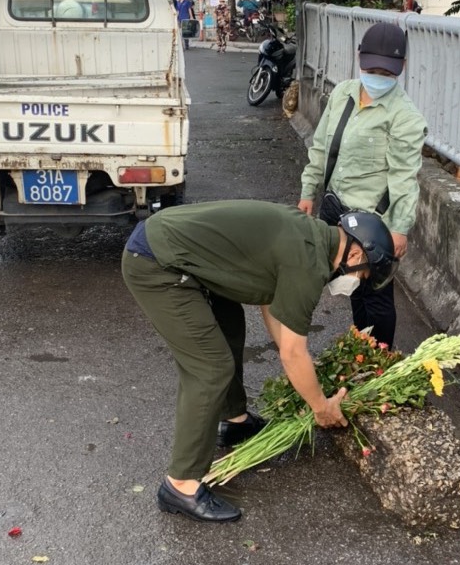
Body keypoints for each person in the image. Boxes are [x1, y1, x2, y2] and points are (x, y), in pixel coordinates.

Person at [121, 200, 398, 522]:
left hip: (177, 248)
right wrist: (321, 407)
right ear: (354, 255)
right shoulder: (309, 265)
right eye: (363, 274)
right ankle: (180, 484)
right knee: (209, 368)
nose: (358, 282)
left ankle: (234, 422)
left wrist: (301, 375)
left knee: (230, 324)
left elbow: (272, 304)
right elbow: (293, 352)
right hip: (157, 262)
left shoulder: (312, 239)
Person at [297, 22, 427, 349]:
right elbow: (322, 147)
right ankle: (361, 349)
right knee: (350, 285)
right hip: (336, 208)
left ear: (402, 68)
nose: (378, 75)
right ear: (359, 59)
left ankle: (378, 363)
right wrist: (308, 191)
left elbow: (404, 177)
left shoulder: (405, 117)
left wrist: (399, 228)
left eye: (387, 70)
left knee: (377, 295)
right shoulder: (343, 94)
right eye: (372, 67)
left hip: (374, 220)